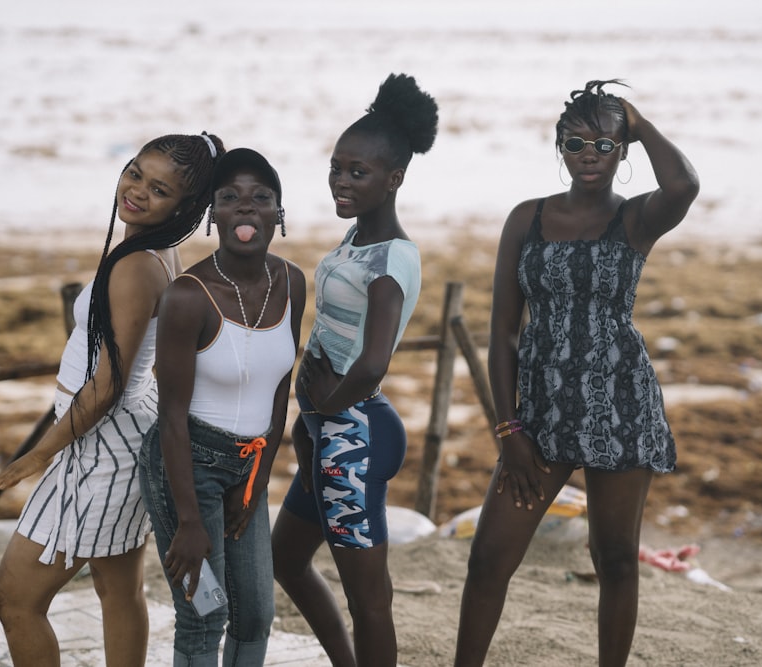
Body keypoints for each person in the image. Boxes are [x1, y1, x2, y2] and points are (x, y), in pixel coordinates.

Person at [454, 79, 700, 667]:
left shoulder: (637, 219)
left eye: (605, 145)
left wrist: (634, 120)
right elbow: (504, 335)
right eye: (576, 143)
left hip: (621, 406)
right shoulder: (527, 219)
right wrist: (509, 431)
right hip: (540, 414)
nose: (590, 155)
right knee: (489, 558)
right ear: (559, 147)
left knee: (614, 560)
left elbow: (686, 184)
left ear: (624, 152)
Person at [0, 132, 225, 666]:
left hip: (97, 445)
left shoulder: (138, 265)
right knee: (118, 590)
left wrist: (39, 453)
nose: (136, 190)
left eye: (158, 189)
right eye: (134, 172)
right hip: (123, 434)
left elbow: (108, 384)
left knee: (15, 599)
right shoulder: (154, 249)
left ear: (183, 206)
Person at [270, 73, 439, 667]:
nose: (342, 181)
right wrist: (308, 424)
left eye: (358, 172)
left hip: (354, 437)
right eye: (337, 167)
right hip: (334, 430)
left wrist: (322, 409)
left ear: (394, 179)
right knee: (285, 559)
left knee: (370, 600)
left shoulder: (392, 257)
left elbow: (372, 364)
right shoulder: (357, 238)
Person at [138, 148, 305, 667]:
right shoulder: (188, 296)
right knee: (204, 611)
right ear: (213, 215)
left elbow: (281, 391)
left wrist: (255, 483)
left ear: (279, 212)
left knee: (256, 613)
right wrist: (189, 521)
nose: (246, 209)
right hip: (185, 468)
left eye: (261, 198)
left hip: (247, 467)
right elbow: (170, 416)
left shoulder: (292, 282)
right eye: (229, 198)